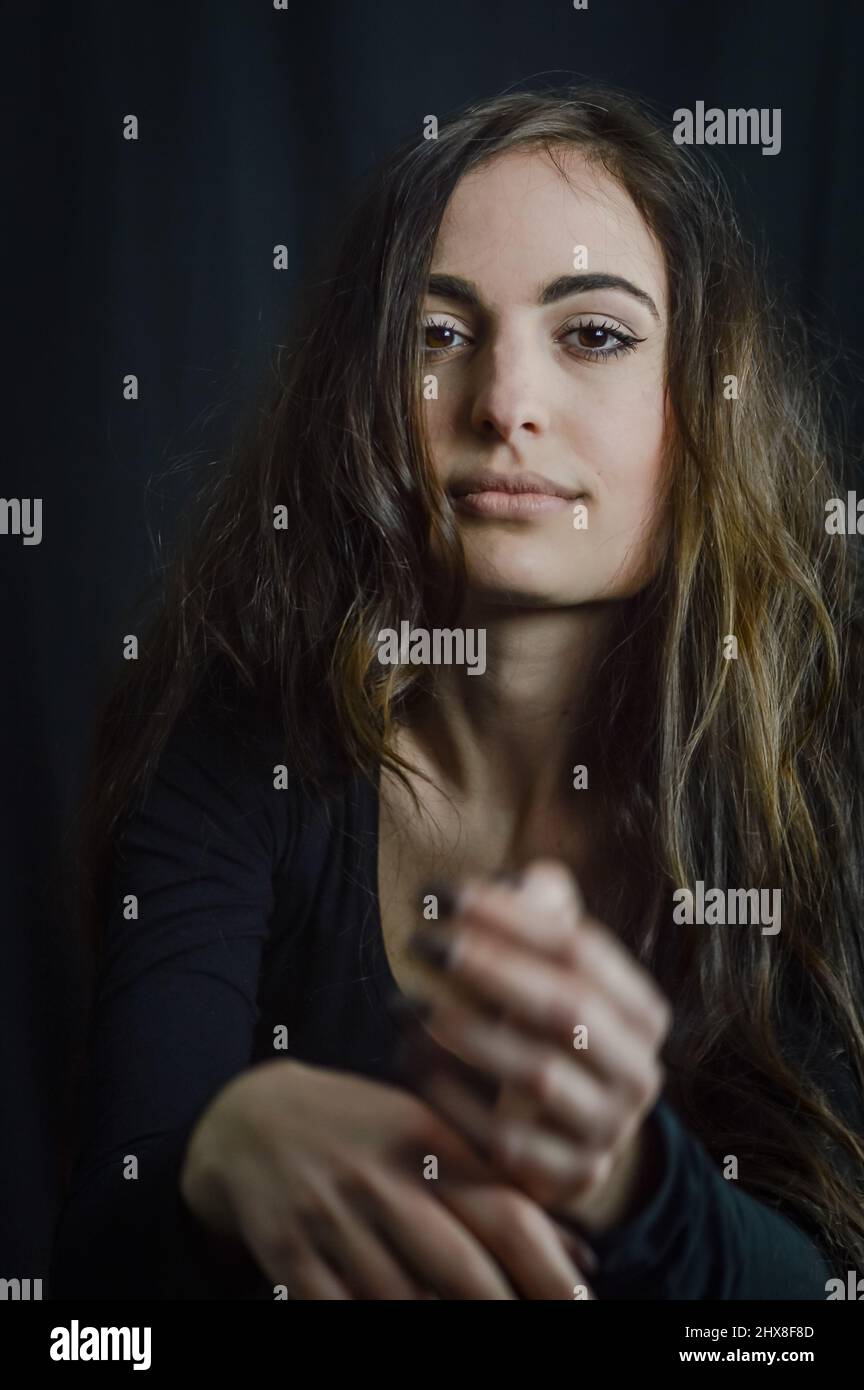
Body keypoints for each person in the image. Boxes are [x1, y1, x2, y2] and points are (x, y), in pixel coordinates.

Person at [51, 85, 864, 1300]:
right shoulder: (240, 740)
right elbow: (87, 1316)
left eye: (593, 334)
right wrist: (214, 1158)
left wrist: (638, 1187)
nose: (504, 405)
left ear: (702, 404)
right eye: (438, 334)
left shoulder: (818, 769)